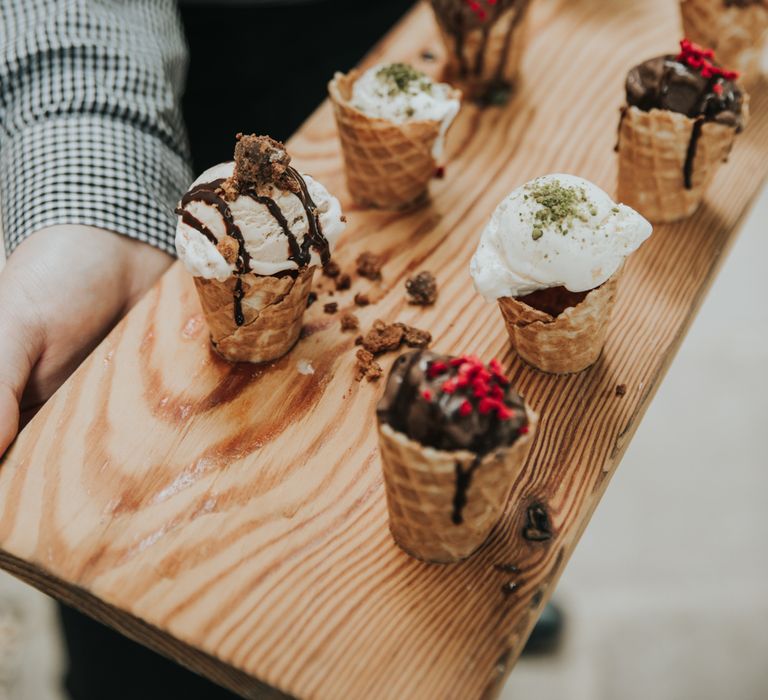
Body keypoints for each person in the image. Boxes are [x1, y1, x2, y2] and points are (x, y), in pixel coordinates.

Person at [0, 1, 559, 697]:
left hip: (390, 42)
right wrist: (93, 191)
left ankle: (466, 555)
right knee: (154, 621)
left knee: (420, 567)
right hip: (186, 88)